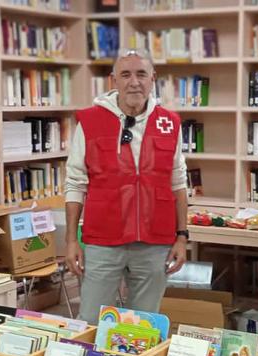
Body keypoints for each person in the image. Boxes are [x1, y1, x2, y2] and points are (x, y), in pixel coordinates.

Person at [64, 48, 189, 325]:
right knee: (91, 321)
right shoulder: (90, 121)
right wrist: (72, 240)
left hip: (155, 241)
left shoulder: (170, 123)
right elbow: (75, 182)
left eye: (141, 74)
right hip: (102, 240)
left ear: (153, 79)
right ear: (113, 81)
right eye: (126, 75)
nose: (134, 82)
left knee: (144, 324)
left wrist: (182, 236)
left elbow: (178, 181)